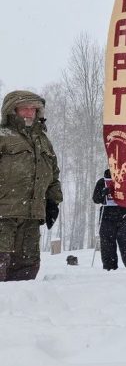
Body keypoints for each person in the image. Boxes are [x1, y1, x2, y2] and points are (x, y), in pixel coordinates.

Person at [0, 90, 62, 281]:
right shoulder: (3, 136)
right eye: (24, 108)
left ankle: (22, 310)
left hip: (32, 217)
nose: (29, 113)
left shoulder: (43, 140)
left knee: (27, 267)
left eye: (33, 109)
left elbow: (53, 175)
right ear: (12, 111)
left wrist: (53, 202)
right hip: (3, 215)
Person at [92, 169, 126, 270]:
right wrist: (103, 193)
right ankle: (109, 267)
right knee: (107, 244)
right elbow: (95, 199)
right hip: (106, 216)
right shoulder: (102, 182)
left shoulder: (125, 180)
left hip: (123, 216)